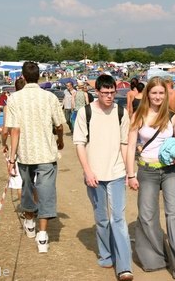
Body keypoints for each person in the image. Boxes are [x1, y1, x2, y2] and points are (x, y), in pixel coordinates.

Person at [126, 77, 175, 279]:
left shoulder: (173, 116)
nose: (158, 96)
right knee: (147, 216)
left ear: (165, 95)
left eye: (161, 93)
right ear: (148, 94)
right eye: (154, 92)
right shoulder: (138, 116)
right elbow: (131, 146)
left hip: (170, 171)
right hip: (146, 170)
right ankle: (154, 259)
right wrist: (130, 174)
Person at [73, 74, 134, 281]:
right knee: (101, 219)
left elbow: (125, 144)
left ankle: (124, 266)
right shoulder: (85, 113)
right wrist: (87, 170)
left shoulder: (121, 113)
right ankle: (106, 255)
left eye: (112, 92)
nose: (109, 96)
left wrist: (128, 171)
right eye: (105, 93)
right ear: (96, 92)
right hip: (94, 175)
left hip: (116, 173)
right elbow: (79, 144)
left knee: (118, 218)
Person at [5, 61, 66, 253]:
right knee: (46, 189)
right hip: (46, 151)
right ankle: (42, 235)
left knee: (27, 186)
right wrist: (60, 139)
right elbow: (59, 125)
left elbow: (14, 130)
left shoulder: (14, 99)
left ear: (22, 77)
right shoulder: (49, 97)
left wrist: (12, 157)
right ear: (39, 76)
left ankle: (30, 221)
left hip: (25, 153)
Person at [2, 78, 27, 204]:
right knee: (32, 180)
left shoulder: (9, 105)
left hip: (16, 145)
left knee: (19, 180)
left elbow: (5, 130)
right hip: (30, 143)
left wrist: (3, 143)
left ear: (15, 88)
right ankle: (34, 207)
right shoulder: (30, 103)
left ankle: (25, 207)